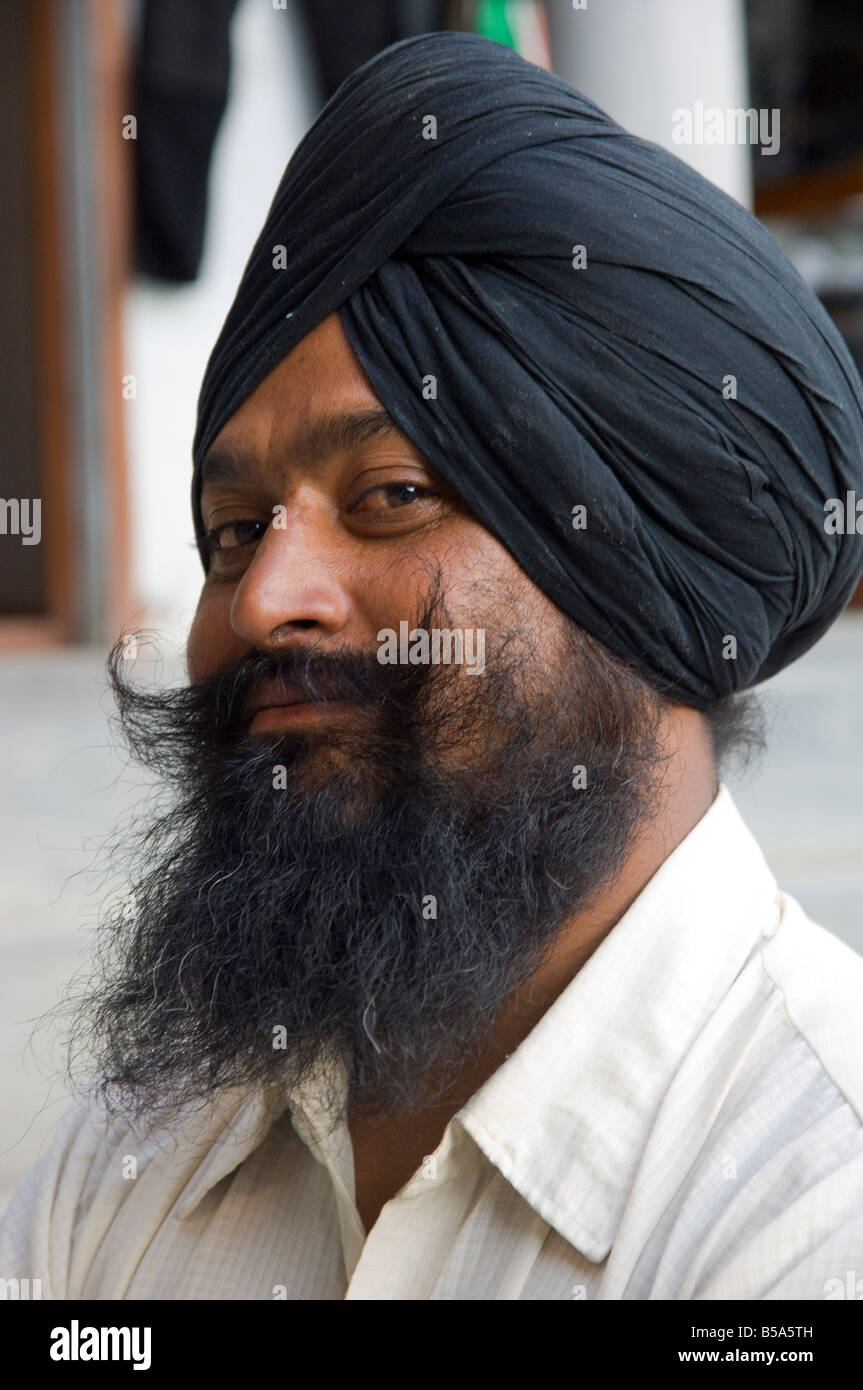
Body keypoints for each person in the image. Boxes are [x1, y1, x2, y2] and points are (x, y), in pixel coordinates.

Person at [3, 31, 863, 1301]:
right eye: (234, 530)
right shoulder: (141, 1148)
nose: (262, 598)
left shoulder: (811, 1200)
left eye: (392, 494)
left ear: (631, 572)